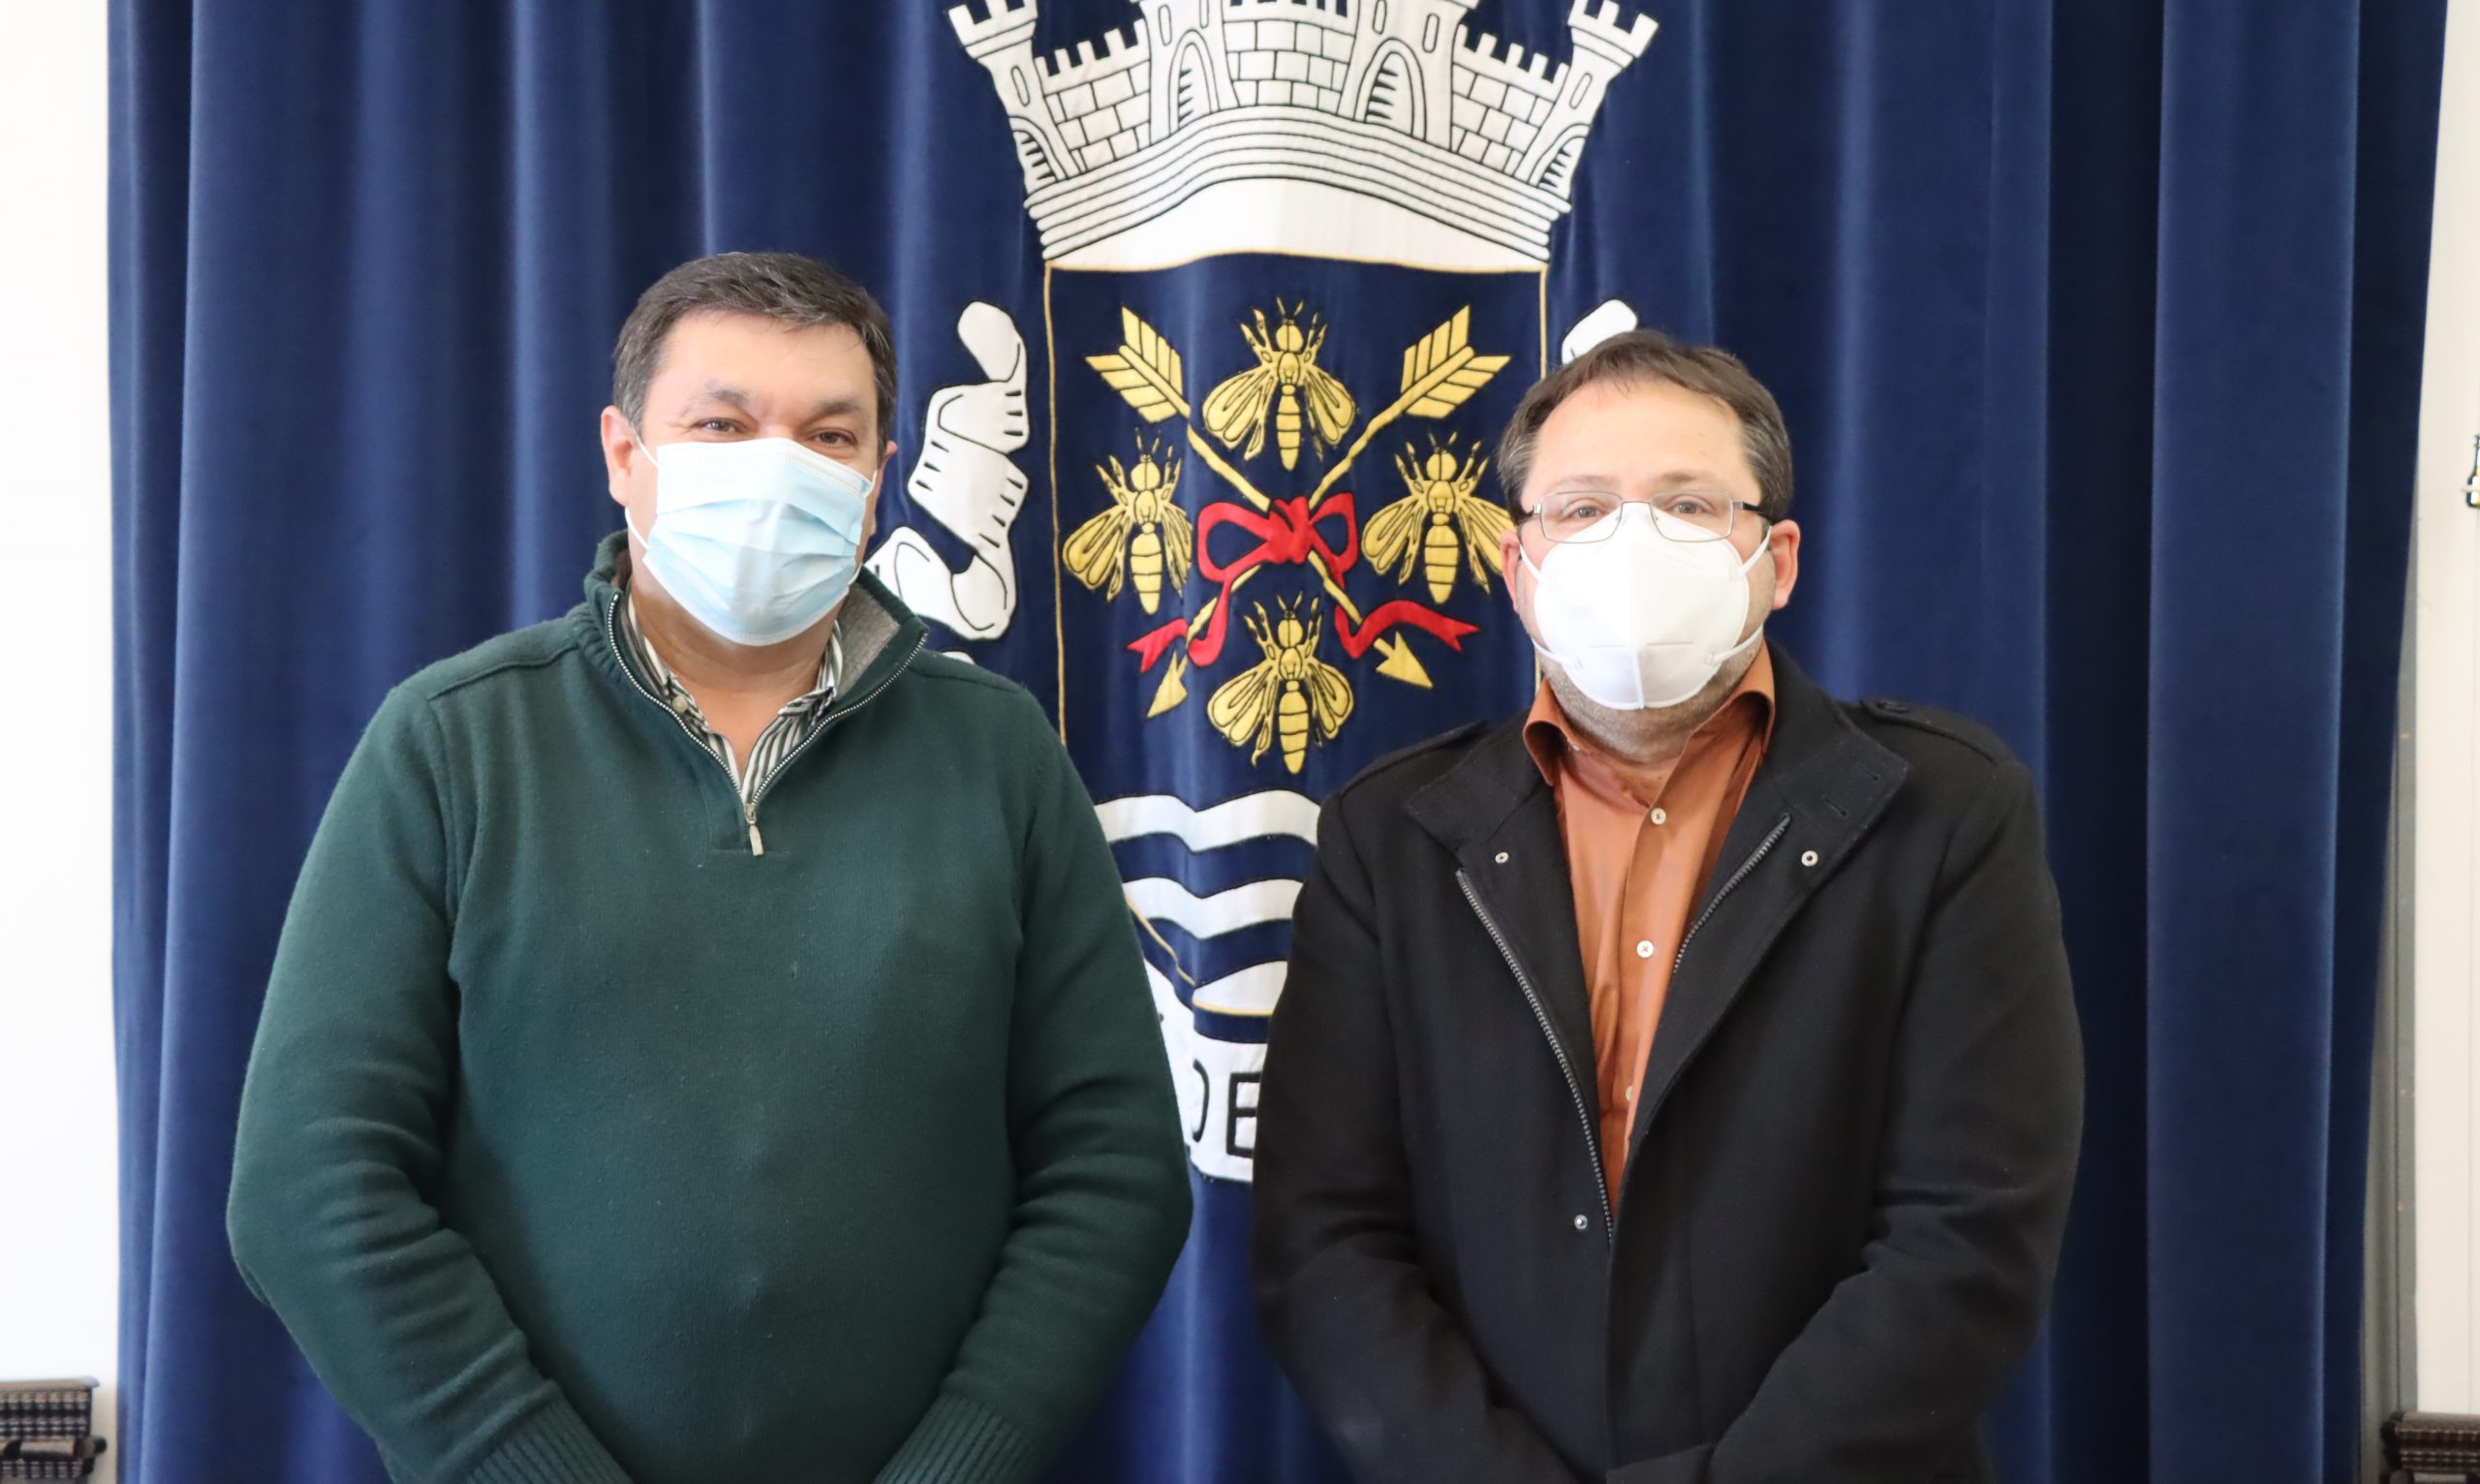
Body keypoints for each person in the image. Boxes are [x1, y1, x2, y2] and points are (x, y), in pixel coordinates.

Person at [229, 251, 1191, 1484]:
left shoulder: (998, 756)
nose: (779, 469)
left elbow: (1114, 1172)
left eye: (828, 435)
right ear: (624, 454)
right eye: (722, 426)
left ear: (876, 481)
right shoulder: (454, 745)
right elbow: (310, 1186)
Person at [1252, 328, 2083, 1484]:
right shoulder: (1388, 839)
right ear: (1517, 567)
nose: (1630, 546)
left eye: (1688, 506)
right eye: (1582, 509)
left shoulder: (1940, 813)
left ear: (1776, 560)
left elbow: (1968, 1234)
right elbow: (1324, 1239)